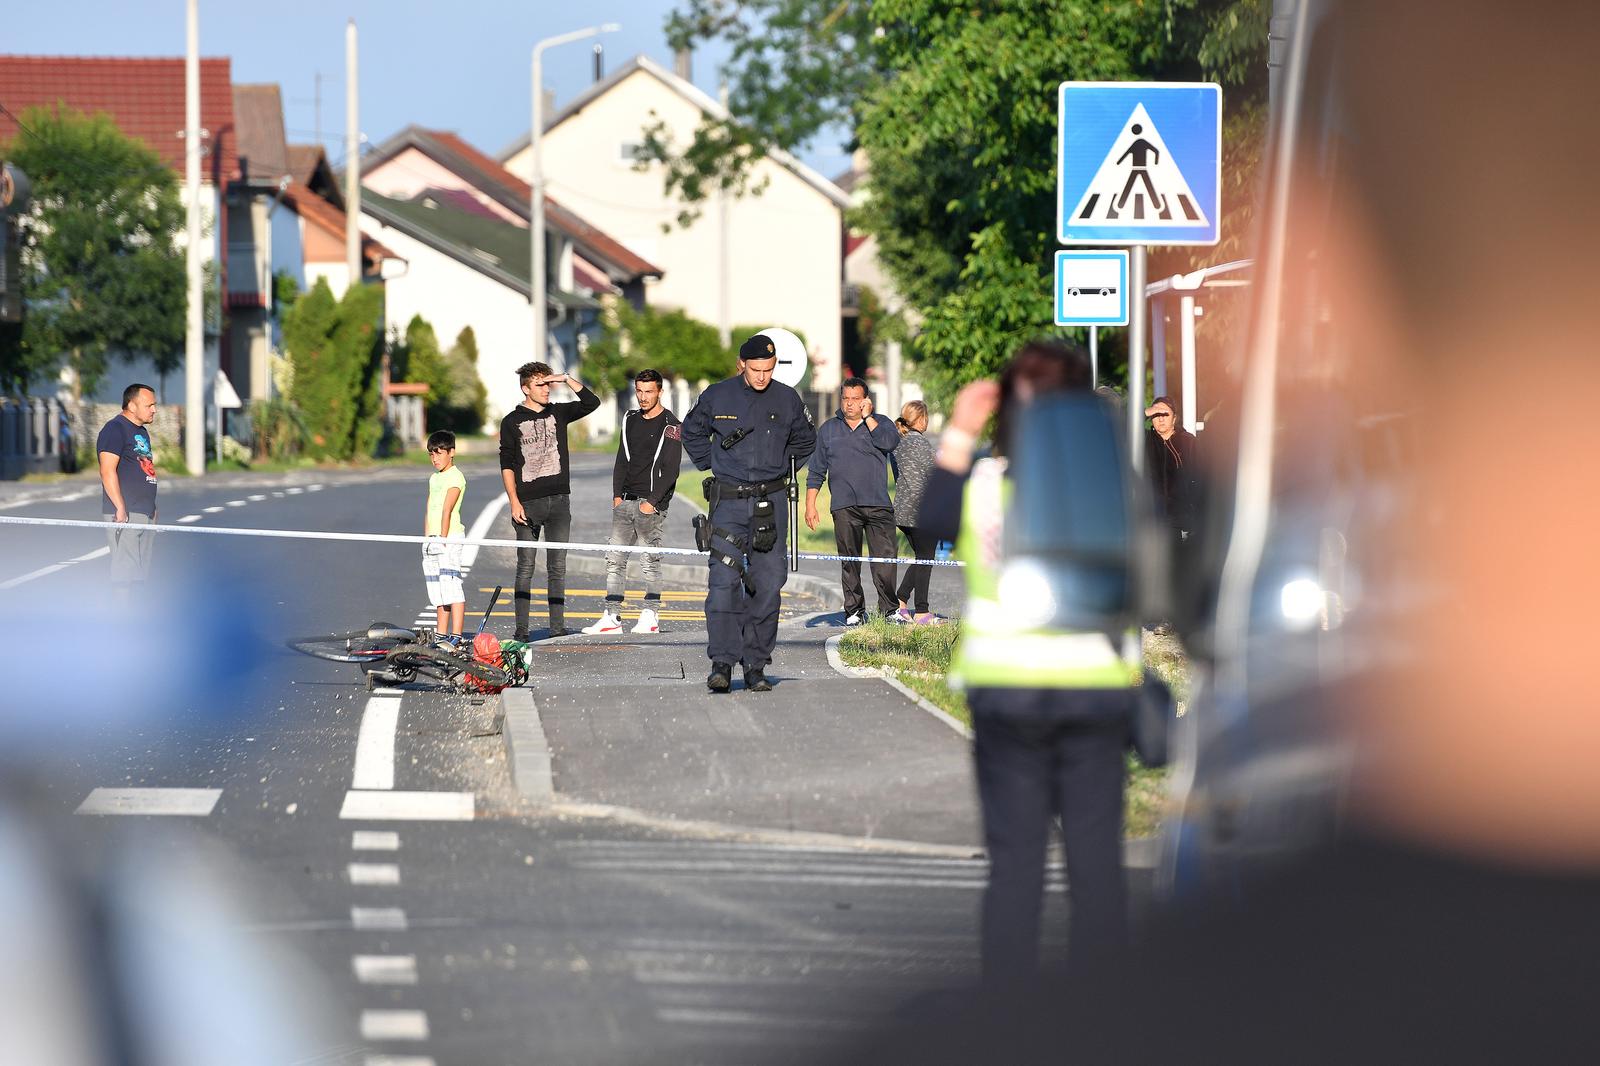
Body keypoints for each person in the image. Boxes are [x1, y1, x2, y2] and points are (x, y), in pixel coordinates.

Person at [918, 339, 1136, 985]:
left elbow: (928, 519)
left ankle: (1008, 1021)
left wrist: (961, 428)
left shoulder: (984, 485)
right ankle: (1103, 1018)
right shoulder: (1112, 485)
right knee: (1097, 862)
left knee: (1016, 862)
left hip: (1006, 690)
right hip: (1096, 688)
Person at [681, 333, 816, 693]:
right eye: (756, 369)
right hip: (728, 503)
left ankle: (755, 665)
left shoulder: (787, 398)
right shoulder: (717, 395)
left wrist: (781, 471)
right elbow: (690, 431)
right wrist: (713, 464)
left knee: (768, 586)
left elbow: (805, 441)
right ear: (742, 364)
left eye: (768, 370)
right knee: (723, 584)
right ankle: (722, 663)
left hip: (770, 504)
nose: (762, 377)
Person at [498, 361, 600, 640]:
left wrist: (565, 378)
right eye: (540, 384)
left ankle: (557, 628)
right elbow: (506, 463)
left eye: (548, 383)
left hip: (559, 502)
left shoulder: (559, 412)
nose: (547, 389)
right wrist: (514, 501)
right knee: (526, 567)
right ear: (525, 389)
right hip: (528, 504)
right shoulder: (511, 422)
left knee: (557, 567)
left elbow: (592, 402)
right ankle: (522, 630)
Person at [584, 368, 684, 636]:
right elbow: (621, 459)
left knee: (649, 561)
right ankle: (611, 617)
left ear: (660, 392)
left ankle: (650, 615)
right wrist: (617, 496)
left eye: (649, 391)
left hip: (650, 506)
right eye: (639, 391)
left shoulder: (671, 426)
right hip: (624, 502)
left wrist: (651, 503)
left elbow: (672, 470)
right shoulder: (629, 418)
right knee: (614, 559)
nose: (643, 397)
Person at [805, 377, 900, 625]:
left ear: (866, 401)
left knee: (885, 561)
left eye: (855, 399)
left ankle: (890, 610)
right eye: (846, 398)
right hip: (845, 507)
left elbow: (890, 443)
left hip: (878, 505)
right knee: (849, 562)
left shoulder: (882, 424)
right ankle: (855, 611)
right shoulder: (828, 429)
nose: (849, 404)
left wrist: (869, 419)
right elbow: (816, 470)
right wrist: (810, 505)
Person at [97, 383, 159, 599]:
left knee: (141, 570)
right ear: (132, 405)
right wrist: (120, 507)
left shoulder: (141, 432)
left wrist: (151, 507)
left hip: (143, 511)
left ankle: (138, 613)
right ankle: (122, 616)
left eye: (154, 405)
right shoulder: (115, 429)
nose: (154, 409)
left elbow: (143, 468)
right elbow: (107, 471)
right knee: (125, 568)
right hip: (126, 511)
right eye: (149, 404)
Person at [890, 400, 939, 625]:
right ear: (920, 419)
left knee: (922, 557)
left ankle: (901, 600)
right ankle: (921, 611)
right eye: (926, 417)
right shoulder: (921, 444)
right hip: (922, 510)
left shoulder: (898, 443)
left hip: (902, 510)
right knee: (926, 559)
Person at [422, 430, 467, 646]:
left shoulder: (456, 477)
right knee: (437, 587)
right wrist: (427, 538)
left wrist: (441, 538)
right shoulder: (434, 478)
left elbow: (447, 510)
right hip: (432, 537)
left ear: (451, 452)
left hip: (450, 536)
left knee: (451, 584)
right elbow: (430, 508)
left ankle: (456, 634)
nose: (435, 459)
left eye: (439, 453)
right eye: (431, 454)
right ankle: (441, 634)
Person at [1143, 395, 1198, 535]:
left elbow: (1202, 478)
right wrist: (1145, 412)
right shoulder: (1144, 440)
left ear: (1174, 418)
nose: (1161, 419)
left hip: (1181, 520)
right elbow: (1125, 426)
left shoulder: (1188, 441)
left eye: (1165, 414)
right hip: (1150, 519)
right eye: (1156, 415)